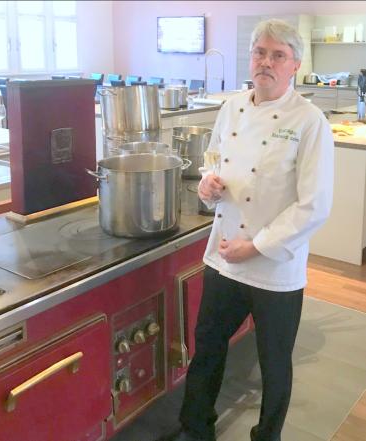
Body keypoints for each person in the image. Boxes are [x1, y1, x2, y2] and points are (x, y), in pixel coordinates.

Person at [158, 18, 334, 441]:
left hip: (274, 268)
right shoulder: (232, 107)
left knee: (274, 363)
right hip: (224, 256)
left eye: (278, 55)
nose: (266, 62)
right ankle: (196, 428)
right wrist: (207, 184)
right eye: (260, 52)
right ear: (250, 57)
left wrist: (255, 246)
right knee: (208, 347)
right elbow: (213, 160)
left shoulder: (309, 121)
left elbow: (314, 206)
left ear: (295, 65)